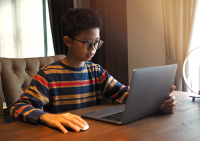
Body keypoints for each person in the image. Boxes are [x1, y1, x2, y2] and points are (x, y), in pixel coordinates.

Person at [11, 7, 177, 134]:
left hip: (92, 133)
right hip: (64, 135)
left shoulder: (96, 72)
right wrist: (47, 116)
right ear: (68, 41)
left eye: (97, 42)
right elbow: (18, 108)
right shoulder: (48, 75)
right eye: (87, 42)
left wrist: (159, 101)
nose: (93, 48)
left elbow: (125, 94)